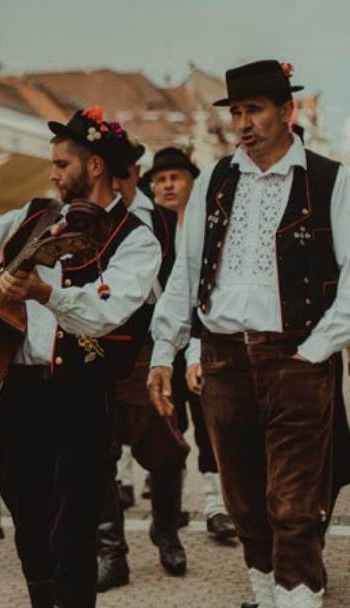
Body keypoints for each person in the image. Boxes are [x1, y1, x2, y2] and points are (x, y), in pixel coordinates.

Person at [0, 107, 160, 607]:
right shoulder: (30, 217)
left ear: (95, 166)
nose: (52, 174)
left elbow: (106, 312)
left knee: (73, 527)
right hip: (20, 388)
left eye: (61, 164)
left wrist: (45, 294)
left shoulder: (136, 238)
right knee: (26, 516)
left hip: (84, 393)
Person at [149, 60, 350, 608]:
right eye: (236, 111)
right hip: (223, 360)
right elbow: (187, 272)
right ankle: (267, 594)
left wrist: (316, 349)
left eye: (254, 110)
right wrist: (165, 351)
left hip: (295, 356)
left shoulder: (329, 179)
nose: (242, 123)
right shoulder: (216, 179)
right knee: (243, 501)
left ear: (286, 111)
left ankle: (298, 596)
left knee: (294, 503)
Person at [94, 138, 192, 591]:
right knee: (96, 446)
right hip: (96, 341)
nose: (119, 180)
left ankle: (166, 531)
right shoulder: (89, 216)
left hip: (148, 340)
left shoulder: (163, 219)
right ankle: (111, 551)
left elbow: (182, 280)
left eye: (126, 170)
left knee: (164, 439)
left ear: (135, 172)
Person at [143, 146, 236, 543]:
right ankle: (172, 505)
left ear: (191, 183)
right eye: (160, 180)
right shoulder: (150, 232)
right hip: (164, 340)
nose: (168, 186)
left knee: (210, 423)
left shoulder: (207, 223)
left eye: (175, 178)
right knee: (169, 425)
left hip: (206, 335)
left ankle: (217, 506)